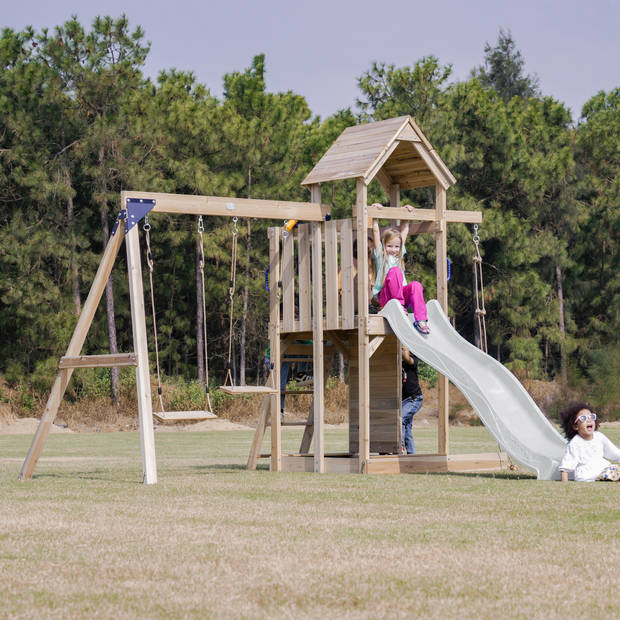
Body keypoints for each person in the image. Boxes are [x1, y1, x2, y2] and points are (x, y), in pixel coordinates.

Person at [371, 203, 430, 334]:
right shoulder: (381, 255)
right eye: (390, 246)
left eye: (396, 247)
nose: (393, 250)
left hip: (401, 297)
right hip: (386, 297)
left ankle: (421, 320)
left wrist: (406, 215)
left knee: (415, 285)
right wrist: (374, 216)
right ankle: (399, 306)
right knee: (395, 272)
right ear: (384, 245)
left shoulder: (399, 256)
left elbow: (405, 230)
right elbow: (375, 231)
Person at [558, 402, 620, 482]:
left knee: (615, 469)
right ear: (575, 426)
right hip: (588, 475)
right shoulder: (575, 443)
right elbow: (566, 465)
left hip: (603, 469)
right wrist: (564, 484)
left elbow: (614, 452)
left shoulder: (599, 436)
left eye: (591, 416)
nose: (589, 420)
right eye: (583, 418)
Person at [401, 347, 423, 454]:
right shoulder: (398, 362)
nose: (402, 348)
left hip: (415, 399)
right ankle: (412, 454)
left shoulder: (413, 360)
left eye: (405, 347)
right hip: (405, 401)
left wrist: (404, 349)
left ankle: (399, 446)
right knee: (407, 427)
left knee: (400, 419)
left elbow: (406, 357)